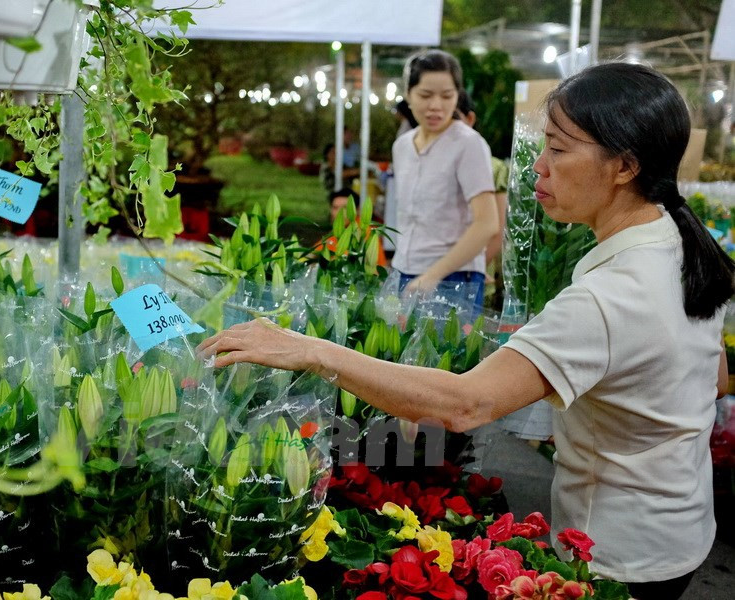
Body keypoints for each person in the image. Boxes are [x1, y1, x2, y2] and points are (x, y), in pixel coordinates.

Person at [199, 62, 735, 600]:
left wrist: (310, 350)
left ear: (623, 165)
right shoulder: (680, 243)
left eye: (558, 149)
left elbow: (464, 406)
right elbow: (714, 379)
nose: (537, 170)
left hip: (619, 556)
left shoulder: (609, 296)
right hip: (682, 528)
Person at [390, 50, 499, 310]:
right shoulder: (402, 146)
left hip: (454, 278)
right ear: (408, 94)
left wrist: (433, 275)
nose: (436, 105)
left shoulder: (468, 144)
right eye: (426, 95)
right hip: (405, 269)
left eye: (447, 96)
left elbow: (487, 223)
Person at [456, 89, 509, 301]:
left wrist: (472, 269)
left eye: (454, 118)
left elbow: (497, 230)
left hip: (474, 277)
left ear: (469, 119)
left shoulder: (493, 168)